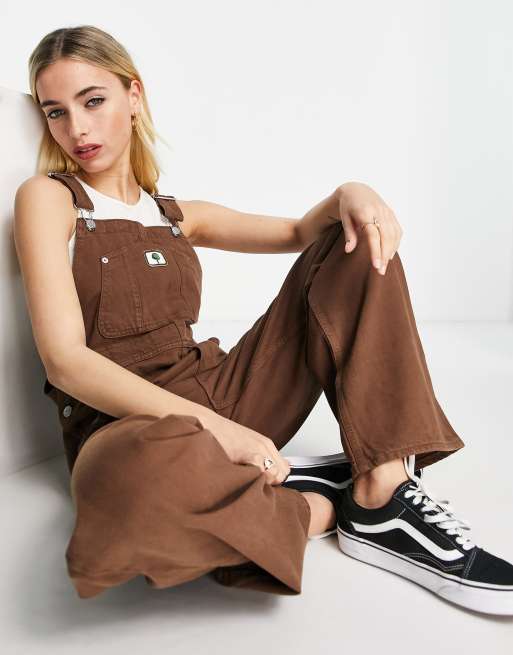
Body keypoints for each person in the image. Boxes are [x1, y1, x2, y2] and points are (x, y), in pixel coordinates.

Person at [13, 25, 513, 615]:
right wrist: (224, 434)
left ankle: (382, 495)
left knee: (354, 244)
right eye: (56, 111)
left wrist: (353, 191)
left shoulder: (176, 215)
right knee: (126, 493)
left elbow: (301, 232)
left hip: (222, 390)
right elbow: (65, 362)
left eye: (93, 100)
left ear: (134, 95)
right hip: (129, 431)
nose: (77, 128)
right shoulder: (49, 199)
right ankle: (315, 506)